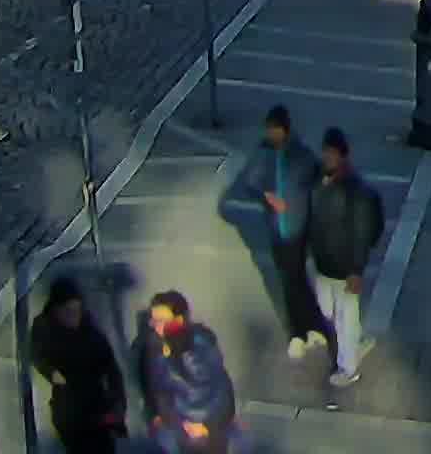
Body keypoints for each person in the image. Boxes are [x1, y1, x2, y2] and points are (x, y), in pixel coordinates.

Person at [220, 106, 323, 355]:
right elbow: (249, 183)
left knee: (295, 279)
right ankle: (302, 331)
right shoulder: (264, 154)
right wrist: (266, 196)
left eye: (274, 130)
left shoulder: (301, 154)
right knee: (291, 280)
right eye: (269, 130)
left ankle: (308, 328)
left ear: (285, 130)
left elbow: (319, 179)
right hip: (278, 229)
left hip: (298, 228)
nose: (270, 134)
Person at [304, 128, 387, 386]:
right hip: (323, 263)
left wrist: (356, 269)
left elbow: (363, 233)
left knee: (344, 317)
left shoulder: (356, 191)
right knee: (327, 312)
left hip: (344, 268)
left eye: (332, 153)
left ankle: (348, 367)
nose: (327, 157)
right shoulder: (318, 180)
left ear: (343, 156)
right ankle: (355, 340)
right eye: (325, 152)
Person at [30, 275, 126, 454]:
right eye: (68, 311)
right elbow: (36, 355)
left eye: (77, 311)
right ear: (55, 311)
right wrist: (53, 374)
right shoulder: (44, 328)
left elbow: (112, 370)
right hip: (70, 412)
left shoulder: (91, 332)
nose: (74, 317)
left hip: (98, 408)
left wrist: (119, 406)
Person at [138, 291, 236, 452]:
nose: (156, 326)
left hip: (208, 430)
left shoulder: (201, 350)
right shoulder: (156, 350)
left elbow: (220, 391)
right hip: (180, 431)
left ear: (180, 321)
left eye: (162, 321)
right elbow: (160, 391)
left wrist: (207, 427)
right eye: (154, 320)